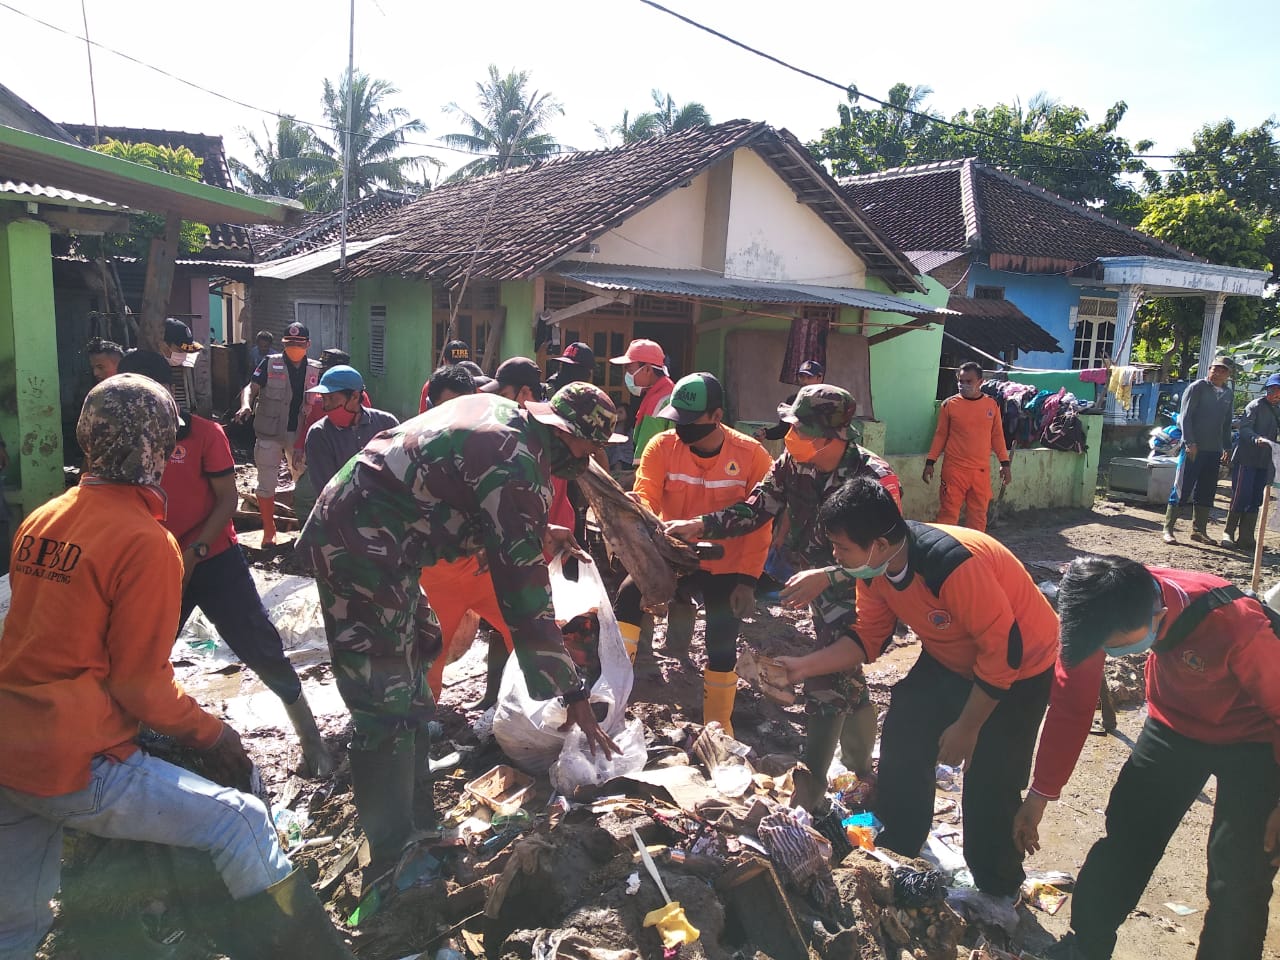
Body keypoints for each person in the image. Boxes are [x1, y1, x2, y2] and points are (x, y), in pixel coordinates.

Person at [0, 374, 354, 959]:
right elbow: (138, 683)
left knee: (14, 929)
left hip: (10, 748)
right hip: (72, 760)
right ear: (159, 449)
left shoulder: (43, 520)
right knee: (239, 820)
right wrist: (213, 732)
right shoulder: (145, 540)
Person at [296, 382, 625, 882]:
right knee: (383, 693)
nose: (591, 457)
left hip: (386, 539)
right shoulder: (519, 466)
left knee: (417, 661)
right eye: (590, 447)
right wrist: (572, 691)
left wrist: (536, 531)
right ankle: (392, 857)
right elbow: (524, 593)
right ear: (565, 433)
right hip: (358, 542)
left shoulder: (508, 420)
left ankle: (418, 827)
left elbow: (461, 493)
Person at [776, 477, 1058, 907]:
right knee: (904, 736)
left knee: (992, 778)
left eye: (842, 548)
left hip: (1020, 668)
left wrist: (967, 727)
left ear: (883, 542)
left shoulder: (951, 564)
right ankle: (896, 854)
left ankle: (997, 888)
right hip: (951, 657)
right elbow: (867, 639)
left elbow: (1004, 654)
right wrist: (801, 668)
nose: (835, 558)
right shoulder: (872, 570)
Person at [1016, 557, 1280, 960]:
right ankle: (1086, 944)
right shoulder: (1098, 609)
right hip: (1173, 724)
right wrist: (1040, 794)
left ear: (1157, 615)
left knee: (1239, 874)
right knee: (1127, 837)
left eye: (1118, 645)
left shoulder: (1236, 624)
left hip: (1256, 739)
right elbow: (1072, 706)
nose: (1108, 653)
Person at [665, 385, 900, 794]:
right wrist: (700, 525)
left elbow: (889, 557)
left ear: (835, 437)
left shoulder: (873, 480)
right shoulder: (793, 463)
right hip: (816, 580)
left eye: (800, 430)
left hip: (864, 588)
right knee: (846, 676)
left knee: (826, 680)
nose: (789, 438)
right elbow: (757, 508)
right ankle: (864, 771)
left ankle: (811, 790)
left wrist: (829, 576)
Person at [119, 349, 336, 778]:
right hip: (157, 566)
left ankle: (312, 741)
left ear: (162, 392)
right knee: (143, 652)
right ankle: (130, 740)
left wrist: (195, 551)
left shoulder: (202, 433)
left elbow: (227, 500)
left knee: (261, 646)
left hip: (213, 559)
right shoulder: (125, 442)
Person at [617, 373, 773, 734]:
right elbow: (646, 499)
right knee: (626, 596)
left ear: (716, 416)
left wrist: (747, 581)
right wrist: (640, 528)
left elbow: (760, 524)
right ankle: (614, 690)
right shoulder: (661, 447)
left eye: (690, 422)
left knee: (721, 637)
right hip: (671, 555)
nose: (681, 429)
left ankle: (718, 726)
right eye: (677, 421)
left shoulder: (751, 457)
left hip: (726, 564)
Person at [235, 322, 321, 545]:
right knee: (266, 483)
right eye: (289, 343)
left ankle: (305, 526)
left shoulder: (315, 369)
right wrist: (245, 404)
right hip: (269, 432)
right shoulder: (270, 363)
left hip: (300, 435)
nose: (294, 346)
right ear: (283, 343)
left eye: (298, 343)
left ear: (308, 345)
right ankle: (268, 529)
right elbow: (251, 387)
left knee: (304, 482)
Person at [923, 361, 1011, 532]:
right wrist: (930, 462)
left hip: (980, 471)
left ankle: (975, 552)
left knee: (978, 515)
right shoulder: (949, 405)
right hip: (954, 470)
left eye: (968, 381)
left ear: (980, 382)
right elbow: (941, 435)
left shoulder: (992, 405)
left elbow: (997, 436)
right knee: (948, 514)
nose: (963, 385)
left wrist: (1005, 463)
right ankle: (945, 550)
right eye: (960, 381)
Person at [1163, 357, 1235, 545]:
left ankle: (1199, 531)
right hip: (1193, 448)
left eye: (1223, 370)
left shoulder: (1228, 393)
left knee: (1207, 490)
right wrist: (1189, 442)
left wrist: (1227, 446)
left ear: (1228, 374)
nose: (1218, 373)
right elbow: (1185, 417)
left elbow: (1227, 423)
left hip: (1214, 449)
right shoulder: (1197, 387)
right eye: (1215, 369)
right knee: (1182, 487)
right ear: (1209, 369)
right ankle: (1168, 529)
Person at [303, 365, 400, 498]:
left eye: (332, 398)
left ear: (354, 396)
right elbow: (327, 491)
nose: (326, 406)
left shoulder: (386, 423)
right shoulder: (319, 434)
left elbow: (399, 469)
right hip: (344, 512)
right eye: (324, 399)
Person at [1221, 373, 1280, 551]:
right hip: (1246, 459)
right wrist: (1256, 439)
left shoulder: (1278, 410)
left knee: (1256, 498)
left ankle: (1247, 537)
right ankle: (1228, 533)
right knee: (1241, 495)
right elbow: (1245, 429)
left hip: (1265, 462)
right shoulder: (1255, 406)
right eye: (1273, 390)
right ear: (1267, 390)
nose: (1275, 393)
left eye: (1278, 390)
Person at [611, 338, 675, 463]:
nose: (627, 376)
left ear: (647, 370)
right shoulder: (671, 392)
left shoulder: (657, 402)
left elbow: (646, 460)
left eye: (630, 370)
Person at [756, 360, 825, 442]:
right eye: (802, 377)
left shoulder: (828, 401)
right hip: (796, 451)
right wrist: (766, 433)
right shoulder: (793, 400)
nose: (805, 381)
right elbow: (784, 429)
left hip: (820, 451)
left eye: (809, 377)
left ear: (819, 378)